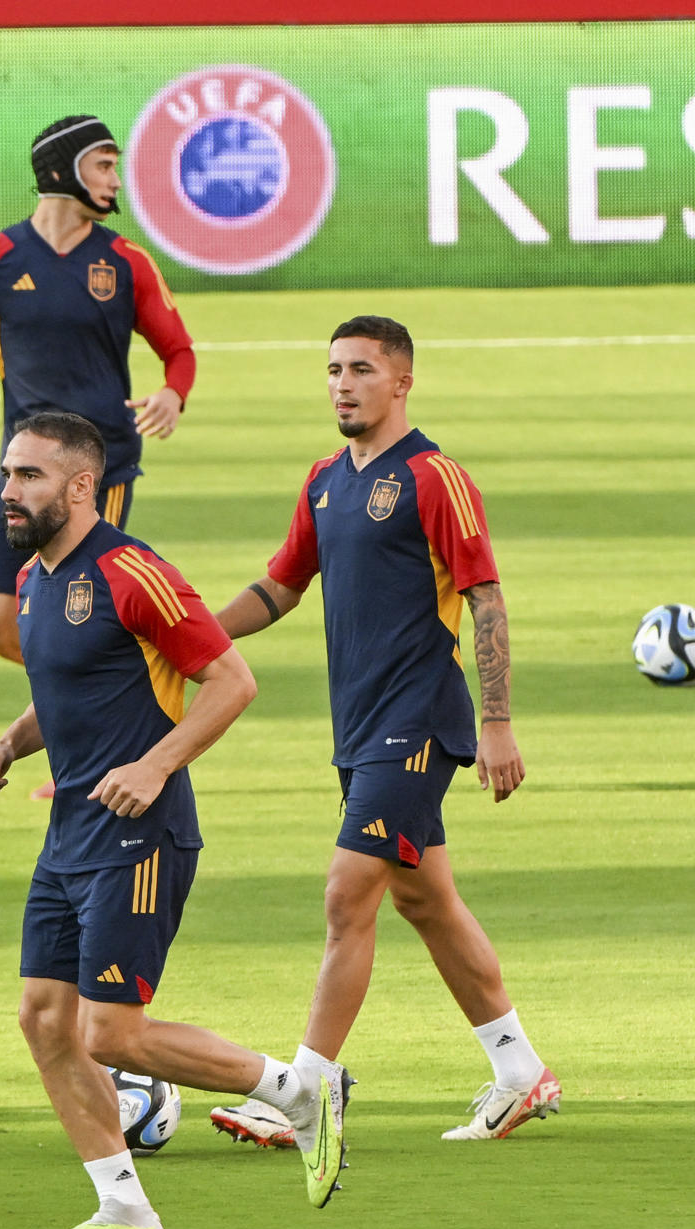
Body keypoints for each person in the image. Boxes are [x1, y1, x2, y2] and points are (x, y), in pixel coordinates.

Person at [0, 411, 346, 1229]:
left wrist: (156, 766)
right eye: (6, 473)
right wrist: (10, 742)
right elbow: (68, 689)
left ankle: (297, 1093)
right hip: (70, 835)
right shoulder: (35, 580)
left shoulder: (134, 572)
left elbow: (230, 679)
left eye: (28, 475)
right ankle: (125, 1214)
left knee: (112, 1033)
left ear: (79, 486)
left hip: (140, 836)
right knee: (43, 1019)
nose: (8, 491)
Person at [206, 316, 560, 1150]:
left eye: (361, 370)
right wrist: (197, 641)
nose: (341, 383)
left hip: (420, 720)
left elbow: (487, 599)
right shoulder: (325, 479)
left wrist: (499, 722)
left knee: (345, 895)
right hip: (359, 727)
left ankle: (307, 1087)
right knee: (423, 899)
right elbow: (281, 587)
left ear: (401, 383)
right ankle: (520, 1071)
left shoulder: (436, 477)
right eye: (332, 369)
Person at [0, 114, 196, 668]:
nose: (115, 180)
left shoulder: (127, 262)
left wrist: (172, 394)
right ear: (63, 169)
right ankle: (106, 686)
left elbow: (178, 350)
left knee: (69, 612)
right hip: (22, 464)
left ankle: (101, 695)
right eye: (104, 165)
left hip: (95, 469)